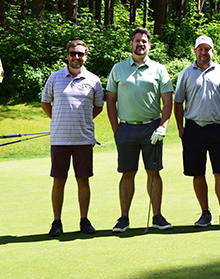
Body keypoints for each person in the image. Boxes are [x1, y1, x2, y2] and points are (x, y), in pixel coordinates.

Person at [106, 27, 174, 233]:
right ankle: (124, 218)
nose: (140, 44)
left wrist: (163, 126)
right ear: (131, 44)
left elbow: (167, 100)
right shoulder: (118, 68)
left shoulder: (159, 69)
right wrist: (116, 129)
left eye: (144, 41)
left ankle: (157, 216)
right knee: (127, 173)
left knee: (153, 173)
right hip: (126, 128)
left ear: (149, 45)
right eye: (137, 41)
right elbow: (110, 99)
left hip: (152, 128)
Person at [174, 36, 220, 229]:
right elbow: (178, 102)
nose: (203, 52)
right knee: (197, 172)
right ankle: (205, 213)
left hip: (217, 128)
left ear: (212, 51)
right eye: (200, 49)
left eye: (207, 49)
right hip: (193, 129)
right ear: (195, 51)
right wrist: (180, 128)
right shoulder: (186, 74)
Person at [41, 40, 104, 236]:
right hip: (60, 139)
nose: (76, 57)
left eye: (80, 54)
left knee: (82, 180)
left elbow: (98, 106)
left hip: (83, 140)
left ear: (86, 56)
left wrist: (82, 120)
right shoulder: (55, 77)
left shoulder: (94, 80)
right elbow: (45, 103)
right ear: (67, 55)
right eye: (72, 54)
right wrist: (59, 119)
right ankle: (57, 222)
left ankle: (84, 220)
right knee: (58, 181)